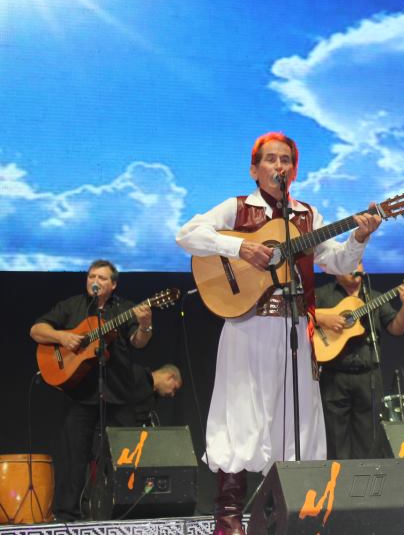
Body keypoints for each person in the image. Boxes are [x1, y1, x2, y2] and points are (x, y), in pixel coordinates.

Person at [175, 132, 381, 535]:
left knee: (293, 423)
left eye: (286, 160)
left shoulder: (307, 215)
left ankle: (278, 516)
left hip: (294, 329)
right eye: (270, 159)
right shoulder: (238, 208)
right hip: (247, 327)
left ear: (294, 170)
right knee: (240, 415)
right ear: (255, 170)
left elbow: (338, 262)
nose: (279, 166)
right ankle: (229, 518)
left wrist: (359, 236)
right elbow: (187, 236)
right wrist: (239, 249)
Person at [29, 259, 155, 522]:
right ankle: (67, 516)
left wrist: (145, 325)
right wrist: (62, 337)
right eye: (91, 277)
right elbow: (36, 330)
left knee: (123, 457)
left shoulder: (124, 309)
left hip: (117, 394)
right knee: (74, 458)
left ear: (113, 284)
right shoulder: (72, 305)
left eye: (102, 278)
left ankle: (123, 515)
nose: (95, 282)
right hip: (80, 396)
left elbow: (138, 342)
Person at [313, 262, 404, 459]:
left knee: (368, 442)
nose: (355, 267)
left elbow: (396, 328)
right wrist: (323, 318)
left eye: (358, 262)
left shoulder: (373, 297)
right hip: (334, 378)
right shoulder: (323, 294)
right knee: (336, 442)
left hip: (368, 378)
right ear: (335, 271)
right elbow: (301, 311)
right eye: (348, 262)